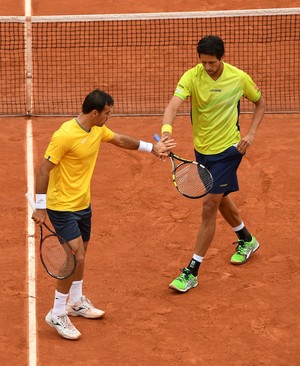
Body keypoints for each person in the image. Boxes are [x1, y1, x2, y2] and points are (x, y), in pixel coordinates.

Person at [31, 89, 176, 340]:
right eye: (107, 113)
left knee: (82, 251)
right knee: (76, 256)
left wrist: (152, 148)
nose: (110, 116)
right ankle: (56, 312)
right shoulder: (64, 135)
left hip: (82, 203)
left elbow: (121, 140)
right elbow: (44, 169)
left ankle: (75, 302)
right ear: (95, 112)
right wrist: (41, 206)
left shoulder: (97, 130)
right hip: (61, 206)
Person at [160, 35, 266, 293]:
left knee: (209, 205)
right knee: (219, 196)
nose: (207, 67)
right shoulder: (192, 77)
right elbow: (174, 103)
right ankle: (246, 239)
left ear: (222, 57)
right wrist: (166, 130)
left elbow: (260, 103)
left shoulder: (239, 78)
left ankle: (191, 271)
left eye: (212, 63)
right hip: (203, 150)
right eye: (204, 62)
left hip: (229, 149)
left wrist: (250, 134)